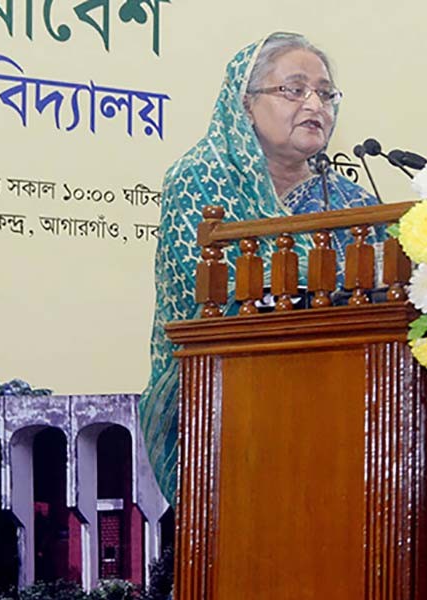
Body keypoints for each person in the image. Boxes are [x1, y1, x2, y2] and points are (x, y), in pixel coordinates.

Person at [140, 32, 378, 503]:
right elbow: (203, 291)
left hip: (342, 414)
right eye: (294, 89)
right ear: (246, 105)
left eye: (325, 94)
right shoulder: (201, 179)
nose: (315, 103)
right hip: (224, 407)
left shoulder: (352, 204)